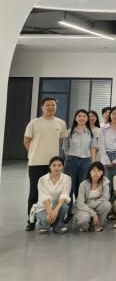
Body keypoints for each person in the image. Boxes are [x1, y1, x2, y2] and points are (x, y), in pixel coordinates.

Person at [23, 97, 68, 231]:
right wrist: (33, 153)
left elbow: (60, 141)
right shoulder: (34, 123)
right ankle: (31, 220)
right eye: (47, 105)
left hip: (53, 165)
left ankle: (51, 218)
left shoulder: (61, 123)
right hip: (36, 162)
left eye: (53, 105)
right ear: (42, 107)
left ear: (56, 107)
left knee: (52, 192)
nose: (50, 107)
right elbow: (26, 140)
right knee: (34, 192)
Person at [63, 109, 96, 218]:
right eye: (79, 116)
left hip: (86, 162)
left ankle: (81, 212)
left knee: (82, 188)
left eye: (84, 116)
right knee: (69, 187)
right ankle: (68, 213)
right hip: (71, 161)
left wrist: (92, 163)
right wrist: (70, 158)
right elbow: (65, 148)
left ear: (87, 118)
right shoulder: (69, 132)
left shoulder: (91, 132)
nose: (81, 118)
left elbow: (93, 148)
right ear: (75, 118)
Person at [30, 156, 71, 234]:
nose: (56, 168)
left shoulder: (67, 178)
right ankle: (43, 225)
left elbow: (64, 195)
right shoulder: (42, 179)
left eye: (59, 165)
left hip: (58, 206)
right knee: (47, 218)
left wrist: (55, 211)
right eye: (54, 165)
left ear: (63, 167)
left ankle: (59, 226)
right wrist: (50, 212)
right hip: (44, 207)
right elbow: (44, 197)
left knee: (65, 206)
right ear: (50, 167)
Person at [96, 106, 116, 204]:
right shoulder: (103, 128)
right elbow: (101, 145)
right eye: (114, 114)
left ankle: (114, 207)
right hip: (105, 157)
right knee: (105, 184)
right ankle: (105, 207)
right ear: (110, 115)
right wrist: (107, 161)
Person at [75, 161, 111, 233]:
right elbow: (80, 203)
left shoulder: (105, 182)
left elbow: (105, 197)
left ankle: (98, 224)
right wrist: (93, 214)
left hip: (97, 206)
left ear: (102, 172)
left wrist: (92, 204)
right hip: (85, 207)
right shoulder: (83, 184)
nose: (96, 173)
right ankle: (88, 224)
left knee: (107, 204)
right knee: (83, 221)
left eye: (99, 171)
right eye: (94, 170)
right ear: (90, 172)